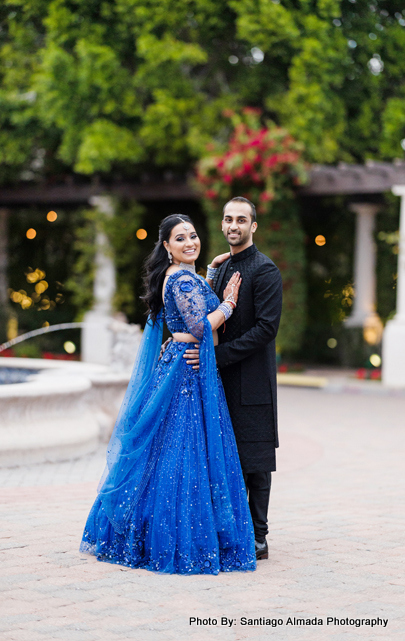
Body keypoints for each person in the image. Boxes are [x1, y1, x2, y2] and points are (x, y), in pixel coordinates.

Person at [80, 214, 256, 575]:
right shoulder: (178, 279)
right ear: (166, 246)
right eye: (180, 239)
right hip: (185, 371)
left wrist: (208, 273)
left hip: (182, 364)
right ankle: (173, 538)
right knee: (182, 452)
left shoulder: (179, 276)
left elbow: (190, 303)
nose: (190, 242)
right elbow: (198, 325)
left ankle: (153, 532)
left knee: (169, 452)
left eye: (193, 235)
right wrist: (229, 304)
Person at [187, 197, 282, 561]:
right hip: (222, 382)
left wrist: (218, 356)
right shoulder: (223, 268)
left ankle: (259, 537)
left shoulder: (265, 270)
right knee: (225, 459)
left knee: (256, 462)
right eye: (228, 219)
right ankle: (229, 528)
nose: (233, 226)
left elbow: (266, 329)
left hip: (253, 382)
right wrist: (211, 272)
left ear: (253, 226)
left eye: (241, 220)